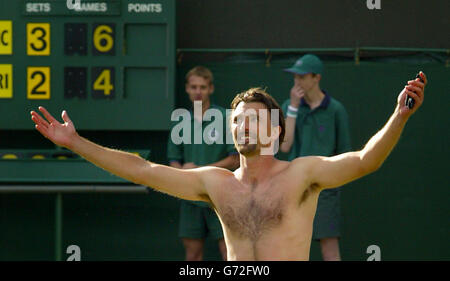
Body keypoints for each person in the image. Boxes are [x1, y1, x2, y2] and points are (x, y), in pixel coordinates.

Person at [30, 71, 427, 260]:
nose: (241, 127)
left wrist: (399, 115)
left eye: (251, 120)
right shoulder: (215, 183)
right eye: (236, 121)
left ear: (273, 129)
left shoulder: (302, 174)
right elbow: (141, 170)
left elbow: (364, 160)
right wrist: (76, 143)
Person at [280, 54, 351, 260]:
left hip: (325, 191)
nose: (297, 82)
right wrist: (293, 107)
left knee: (329, 247)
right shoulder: (288, 106)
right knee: (291, 247)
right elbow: (285, 146)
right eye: (295, 77)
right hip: (294, 188)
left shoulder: (336, 109)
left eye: (302, 77)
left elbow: (344, 153)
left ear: (316, 78)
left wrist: (330, 181)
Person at [168, 66, 239, 261]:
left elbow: (234, 160)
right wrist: (183, 174)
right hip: (191, 198)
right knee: (192, 255)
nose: (198, 91)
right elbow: (174, 160)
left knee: (230, 253)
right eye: (193, 87)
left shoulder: (226, 118)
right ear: (187, 89)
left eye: (202, 87)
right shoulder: (180, 120)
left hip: (221, 196)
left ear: (211, 89)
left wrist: (198, 170)